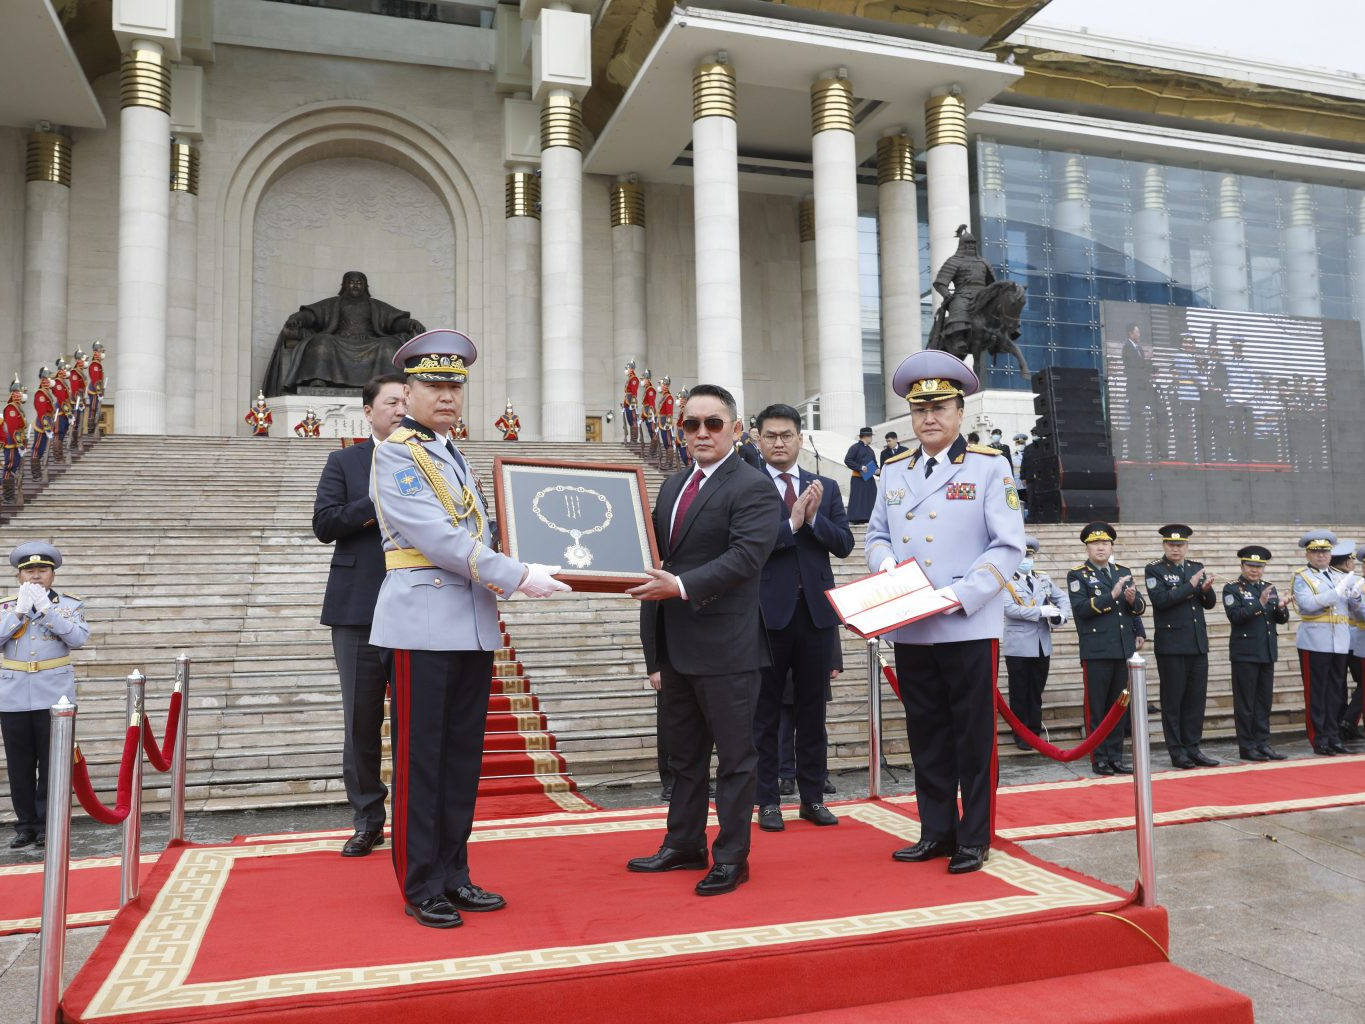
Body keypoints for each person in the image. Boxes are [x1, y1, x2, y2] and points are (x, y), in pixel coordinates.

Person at [369, 329, 570, 928]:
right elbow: (438, 538)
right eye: (434, 384)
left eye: (455, 385)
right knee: (421, 760)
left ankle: (454, 873)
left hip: (472, 623)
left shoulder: (452, 452)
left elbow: (478, 533)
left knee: (460, 760)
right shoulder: (398, 451)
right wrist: (518, 574)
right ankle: (420, 883)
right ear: (407, 392)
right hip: (422, 622)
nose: (448, 395)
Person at [864, 350, 1025, 874]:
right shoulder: (892, 470)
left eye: (939, 407)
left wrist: (963, 593)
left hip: (966, 621)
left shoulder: (987, 465)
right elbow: (875, 535)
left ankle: (973, 837)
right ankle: (935, 830)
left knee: (971, 736)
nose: (928, 418)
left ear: (960, 412)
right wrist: (887, 565)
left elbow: (1007, 545)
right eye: (919, 409)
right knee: (925, 732)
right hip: (912, 625)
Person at [628, 383, 781, 896]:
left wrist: (682, 586)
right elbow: (651, 553)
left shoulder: (753, 486)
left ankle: (732, 856)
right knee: (684, 758)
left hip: (727, 647)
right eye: (691, 424)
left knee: (736, 760)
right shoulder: (672, 486)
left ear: (737, 430)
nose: (701, 433)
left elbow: (746, 557)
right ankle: (683, 843)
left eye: (713, 423)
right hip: (675, 646)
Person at [312, 373, 407, 858]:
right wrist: (375, 505)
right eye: (391, 402)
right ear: (367, 410)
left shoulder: (430, 459)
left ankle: (417, 820)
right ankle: (368, 817)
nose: (399, 409)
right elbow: (324, 524)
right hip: (358, 611)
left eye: (405, 402)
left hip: (417, 607)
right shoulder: (344, 461)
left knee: (416, 719)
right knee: (361, 721)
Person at [751, 403, 854, 832]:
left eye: (787, 435)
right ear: (757, 439)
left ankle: (812, 797)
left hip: (815, 616)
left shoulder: (824, 487)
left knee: (813, 714)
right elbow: (746, 547)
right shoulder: (747, 487)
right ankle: (768, 801)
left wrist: (812, 521)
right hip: (764, 616)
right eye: (771, 435)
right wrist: (790, 525)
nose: (779, 442)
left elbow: (845, 543)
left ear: (799, 438)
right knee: (765, 713)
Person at [1, 542, 89, 849]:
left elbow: (77, 639)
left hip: (54, 694)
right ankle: (25, 825)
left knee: (54, 763)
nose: (36, 577)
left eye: (42, 570)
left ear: (52, 575)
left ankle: (49, 823)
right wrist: (20, 612)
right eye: (29, 571)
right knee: (19, 764)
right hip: (13, 693)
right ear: (19, 576)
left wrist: (48, 610)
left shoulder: (69, 605)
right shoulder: (6, 606)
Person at [263, 270, 426, 394]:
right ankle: (319, 380)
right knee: (322, 342)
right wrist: (297, 318)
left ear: (365, 286)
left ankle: (391, 384)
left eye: (359, 282)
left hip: (369, 342)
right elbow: (311, 315)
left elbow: (395, 322)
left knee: (389, 345)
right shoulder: (333, 304)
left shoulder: (375, 305)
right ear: (344, 285)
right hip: (339, 341)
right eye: (351, 282)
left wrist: (410, 323)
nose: (355, 285)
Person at [1068, 523, 1145, 775]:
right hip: (1097, 649)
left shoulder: (1122, 571)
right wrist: (1111, 595)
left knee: (1119, 706)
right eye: (1095, 544)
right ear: (1087, 547)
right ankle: (1098, 757)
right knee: (1097, 708)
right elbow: (1081, 609)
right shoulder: (1078, 574)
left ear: (1111, 546)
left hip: (1122, 648)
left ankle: (1115, 756)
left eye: (1105, 543)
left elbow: (1138, 607)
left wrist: (1134, 603)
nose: (1101, 547)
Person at [1145, 525, 1219, 769]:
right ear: (1164, 546)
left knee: (1195, 701)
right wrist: (1190, 586)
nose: (1176, 549)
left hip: (1197, 644)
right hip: (1172, 645)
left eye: (1180, 545)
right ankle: (1177, 752)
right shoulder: (1155, 569)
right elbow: (1161, 600)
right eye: (1171, 545)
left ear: (1186, 546)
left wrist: (1206, 591)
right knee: (1173, 701)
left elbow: (1208, 603)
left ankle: (1193, 747)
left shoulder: (1195, 568)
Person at [1223, 546, 1289, 762]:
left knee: (1263, 702)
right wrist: (1259, 604)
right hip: (1245, 653)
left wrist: (1281, 607)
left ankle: (1263, 743)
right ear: (1242, 566)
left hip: (1267, 652)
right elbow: (1236, 617)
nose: (1255, 570)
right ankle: (1247, 746)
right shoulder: (1232, 589)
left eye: (1259, 567)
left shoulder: (1269, 588)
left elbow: (1279, 619)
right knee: (1246, 704)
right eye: (1251, 566)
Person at [1002, 535, 1069, 751]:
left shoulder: (1043, 579)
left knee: (1036, 690)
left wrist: (1060, 616)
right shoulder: (1006, 581)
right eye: (1022, 556)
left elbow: (1063, 598)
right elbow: (1009, 609)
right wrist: (1040, 611)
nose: (1026, 560)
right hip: (1019, 645)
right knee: (1019, 692)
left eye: (1029, 556)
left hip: (1042, 644)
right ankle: (1021, 734)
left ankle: (1035, 732)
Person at [1293, 531, 1353, 756]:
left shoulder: (1339, 576)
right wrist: (1335, 592)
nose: (1321, 556)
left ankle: (1334, 735)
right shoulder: (1302, 577)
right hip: (1315, 641)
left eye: (1325, 551)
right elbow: (1308, 605)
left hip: (1339, 640)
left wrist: (1355, 596)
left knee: (1336, 691)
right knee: (1316, 692)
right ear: (1308, 554)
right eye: (1316, 552)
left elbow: (1350, 607)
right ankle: (1319, 739)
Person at [1120, 322, 1155, 461]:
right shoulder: (1127, 348)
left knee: (1140, 422)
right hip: (1134, 391)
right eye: (1137, 332)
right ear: (1130, 333)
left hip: (1142, 391)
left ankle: (1141, 452)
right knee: (1134, 422)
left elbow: (1143, 367)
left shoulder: (1139, 349)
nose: (1139, 335)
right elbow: (1135, 367)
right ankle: (1135, 452)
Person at [1345, 543, 1365, 742]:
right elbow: (1360, 611)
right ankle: (1348, 720)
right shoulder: (1359, 585)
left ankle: (1350, 722)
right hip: (1359, 642)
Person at [843, 427, 878, 524]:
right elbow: (848, 460)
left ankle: (870, 517)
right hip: (858, 478)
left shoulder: (871, 450)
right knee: (858, 498)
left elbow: (874, 464)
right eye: (870, 436)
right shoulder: (854, 447)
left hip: (869, 478)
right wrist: (860, 467)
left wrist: (877, 471)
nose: (871, 438)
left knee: (871, 497)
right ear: (866, 436)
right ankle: (856, 518)